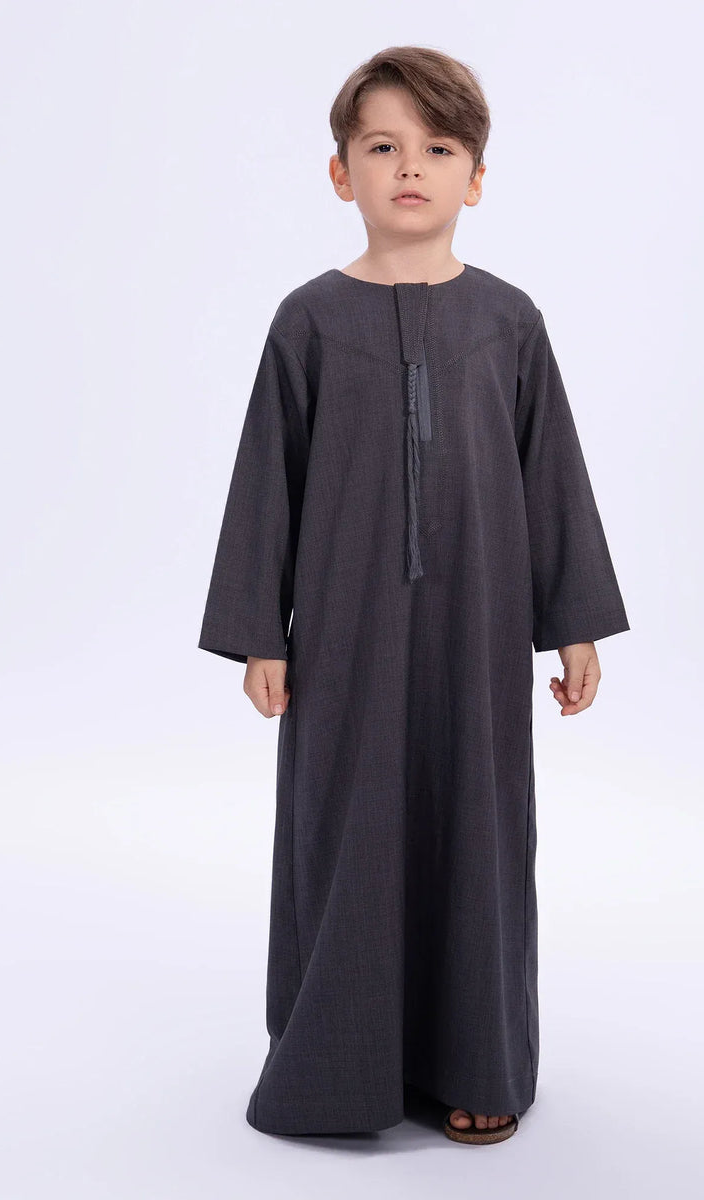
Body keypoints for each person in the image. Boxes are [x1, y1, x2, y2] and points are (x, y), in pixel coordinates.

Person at [199, 45, 630, 1145]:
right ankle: (339, 1070)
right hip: (341, 635)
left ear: (475, 178)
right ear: (339, 170)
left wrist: (573, 623)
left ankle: (476, 1058)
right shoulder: (307, 322)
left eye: (437, 149)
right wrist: (260, 635)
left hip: (478, 633)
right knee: (343, 829)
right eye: (382, 145)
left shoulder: (508, 321)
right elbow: (267, 480)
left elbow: (551, 473)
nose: (409, 168)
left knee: (476, 826)